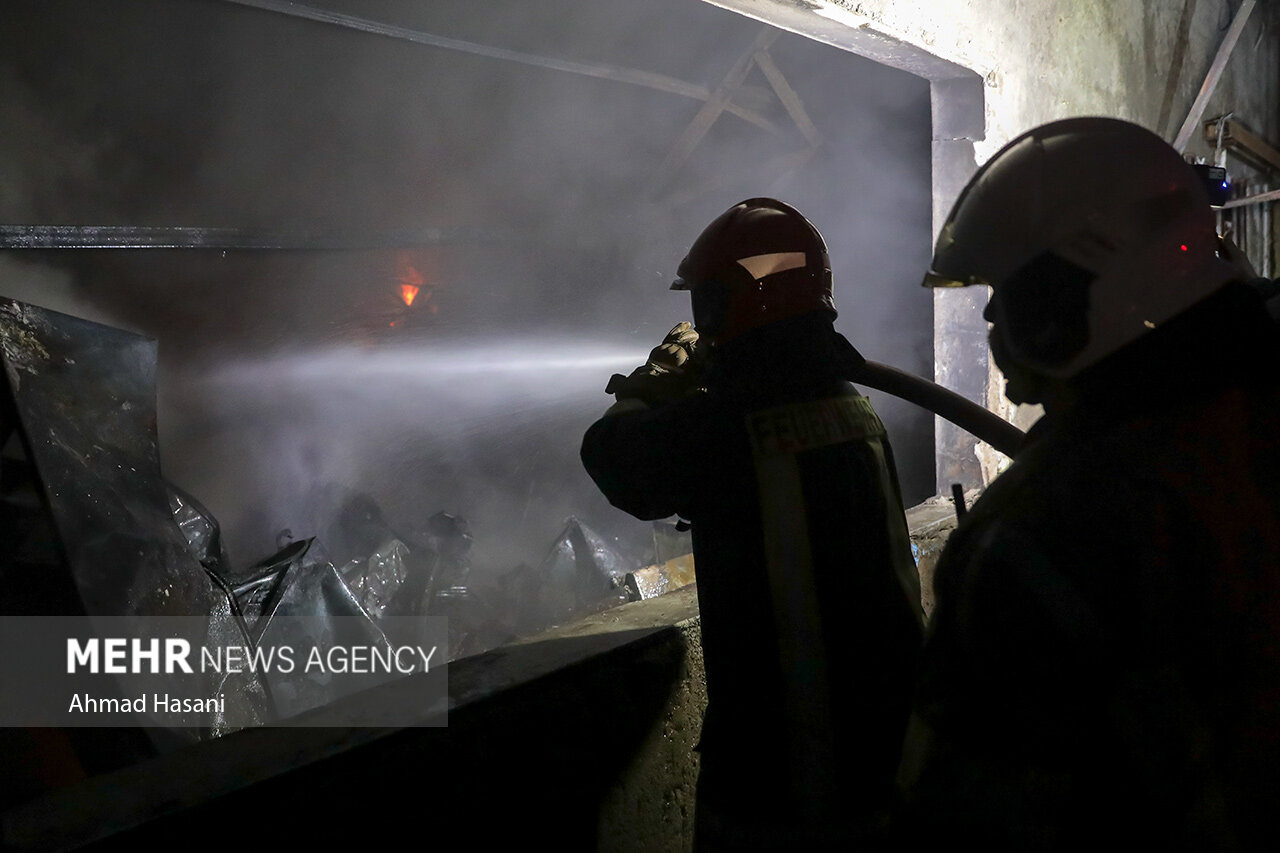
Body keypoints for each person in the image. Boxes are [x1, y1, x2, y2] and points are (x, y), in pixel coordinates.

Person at [895, 117, 1280, 851]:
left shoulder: (1036, 534)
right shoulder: (1243, 419)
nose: (989, 317)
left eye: (1009, 290)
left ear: (1066, 299)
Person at [581, 198, 923, 849]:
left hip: (784, 784)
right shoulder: (851, 405)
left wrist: (653, 382)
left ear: (723, 304)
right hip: (889, 756)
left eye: (705, 304)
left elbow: (615, 461)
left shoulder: (735, 424)